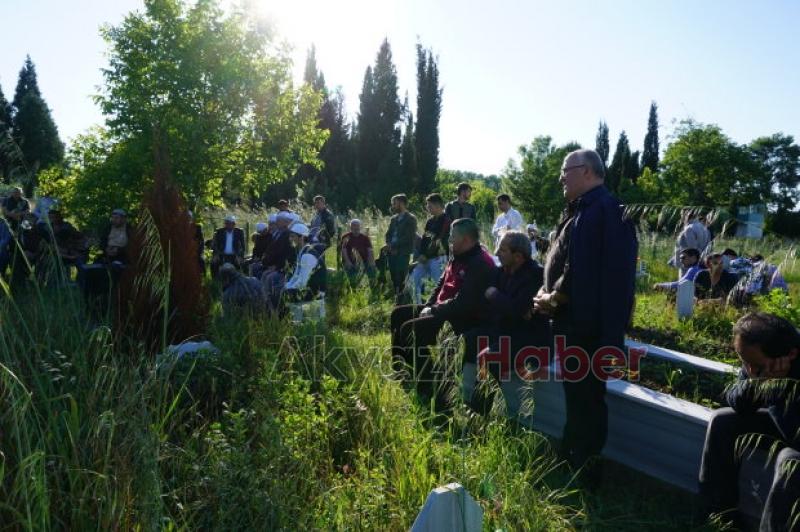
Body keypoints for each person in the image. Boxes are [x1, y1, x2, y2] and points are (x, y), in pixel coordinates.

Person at [534, 148, 637, 485]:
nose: (561, 176)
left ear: (588, 172)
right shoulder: (585, 210)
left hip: (587, 328)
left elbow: (581, 271)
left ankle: (584, 469)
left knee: (587, 399)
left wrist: (552, 298)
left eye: (566, 170)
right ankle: (572, 458)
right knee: (578, 397)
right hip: (575, 323)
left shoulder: (603, 211)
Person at [699, 312, 800, 530]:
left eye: (756, 366)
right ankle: (719, 514)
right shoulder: (758, 357)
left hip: (794, 428)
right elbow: (736, 399)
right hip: (784, 419)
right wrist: (760, 384)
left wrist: (778, 390)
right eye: (744, 363)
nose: (750, 371)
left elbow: (795, 437)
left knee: (790, 459)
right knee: (722, 421)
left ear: (791, 354)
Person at [390, 218, 496, 398]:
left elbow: (464, 303)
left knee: (412, 329)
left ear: (467, 240)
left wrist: (434, 310)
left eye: (452, 237)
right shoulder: (458, 254)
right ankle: (404, 371)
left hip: (463, 318)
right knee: (399, 314)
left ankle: (428, 386)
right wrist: (430, 305)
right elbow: (442, 283)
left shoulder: (480, 263)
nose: (449, 241)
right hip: (443, 309)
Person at [462, 231, 547, 415]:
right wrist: (507, 304)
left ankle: (477, 416)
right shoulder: (500, 271)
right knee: (463, 341)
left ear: (518, 256)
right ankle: (456, 395)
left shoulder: (536, 274)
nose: (497, 252)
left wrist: (496, 295)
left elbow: (515, 310)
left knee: (490, 357)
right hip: (503, 329)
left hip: (529, 338)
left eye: (502, 249)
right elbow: (500, 306)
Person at [268, 222, 327, 313]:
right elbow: (296, 275)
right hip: (307, 289)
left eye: (293, 236)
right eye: (290, 236)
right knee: (277, 292)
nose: (290, 239)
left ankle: (282, 321)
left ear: (302, 238)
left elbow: (302, 282)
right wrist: (286, 286)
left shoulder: (308, 255)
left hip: (314, 292)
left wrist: (287, 289)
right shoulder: (301, 252)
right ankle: (277, 321)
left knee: (283, 295)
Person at [409, 193, 450, 304]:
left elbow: (439, 240)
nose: (427, 208)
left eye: (429, 206)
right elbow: (425, 239)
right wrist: (422, 254)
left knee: (439, 286)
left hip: (439, 259)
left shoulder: (447, 220)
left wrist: (425, 255)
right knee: (413, 281)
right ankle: (418, 307)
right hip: (425, 258)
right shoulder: (430, 221)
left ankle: (439, 310)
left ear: (437, 205)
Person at [381, 194, 417, 300]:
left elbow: (408, 237)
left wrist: (393, 245)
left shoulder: (411, 218)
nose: (393, 206)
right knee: (393, 275)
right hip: (391, 250)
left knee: (401, 275)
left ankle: (404, 298)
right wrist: (388, 244)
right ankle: (397, 296)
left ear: (401, 203)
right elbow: (388, 234)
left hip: (403, 251)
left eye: (394, 203)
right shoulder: (394, 219)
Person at [341, 218, 376, 284]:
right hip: (350, 261)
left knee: (372, 268)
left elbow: (370, 250)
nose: (356, 228)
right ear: (351, 227)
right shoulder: (346, 237)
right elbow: (344, 250)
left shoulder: (365, 238)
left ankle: (373, 287)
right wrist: (348, 262)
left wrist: (370, 263)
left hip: (363, 261)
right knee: (351, 275)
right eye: (354, 226)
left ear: (360, 227)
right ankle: (353, 288)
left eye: (357, 226)